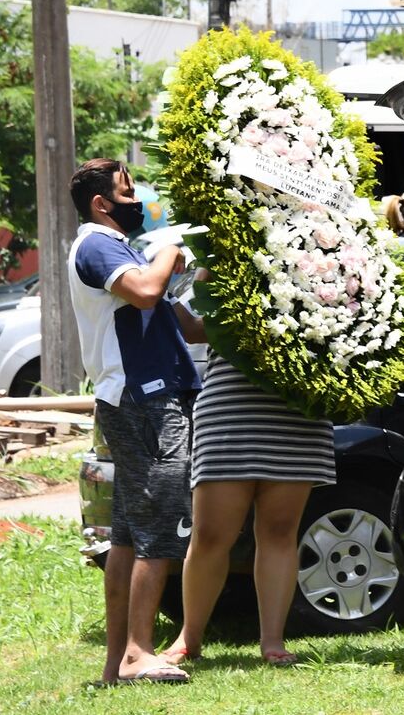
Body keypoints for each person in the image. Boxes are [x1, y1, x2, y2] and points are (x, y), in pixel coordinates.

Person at [67, 158, 203, 685]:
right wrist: (170, 249)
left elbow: (185, 327)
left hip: (148, 395)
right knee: (163, 521)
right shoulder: (99, 244)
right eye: (128, 191)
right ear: (103, 204)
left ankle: (117, 661)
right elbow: (146, 291)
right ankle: (138, 654)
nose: (138, 199)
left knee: (126, 532)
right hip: (141, 399)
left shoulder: (125, 252)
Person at [162, 270, 337, 668]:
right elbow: (195, 328)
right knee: (209, 535)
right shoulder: (228, 255)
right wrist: (170, 288)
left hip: (296, 410)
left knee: (278, 531)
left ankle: (272, 642)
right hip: (230, 410)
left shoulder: (325, 263)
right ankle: (189, 638)